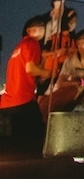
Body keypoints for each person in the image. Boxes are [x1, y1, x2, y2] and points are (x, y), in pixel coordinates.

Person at [0, 16, 50, 144]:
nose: (42, 28)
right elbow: (30, 69)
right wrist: (47, 72)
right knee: (38, 138)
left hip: (9, 102)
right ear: (29, 30)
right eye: (38, 26)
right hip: (23, 100)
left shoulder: (19, 47)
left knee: (18, 145)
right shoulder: (32, 43)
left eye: (43, 26)